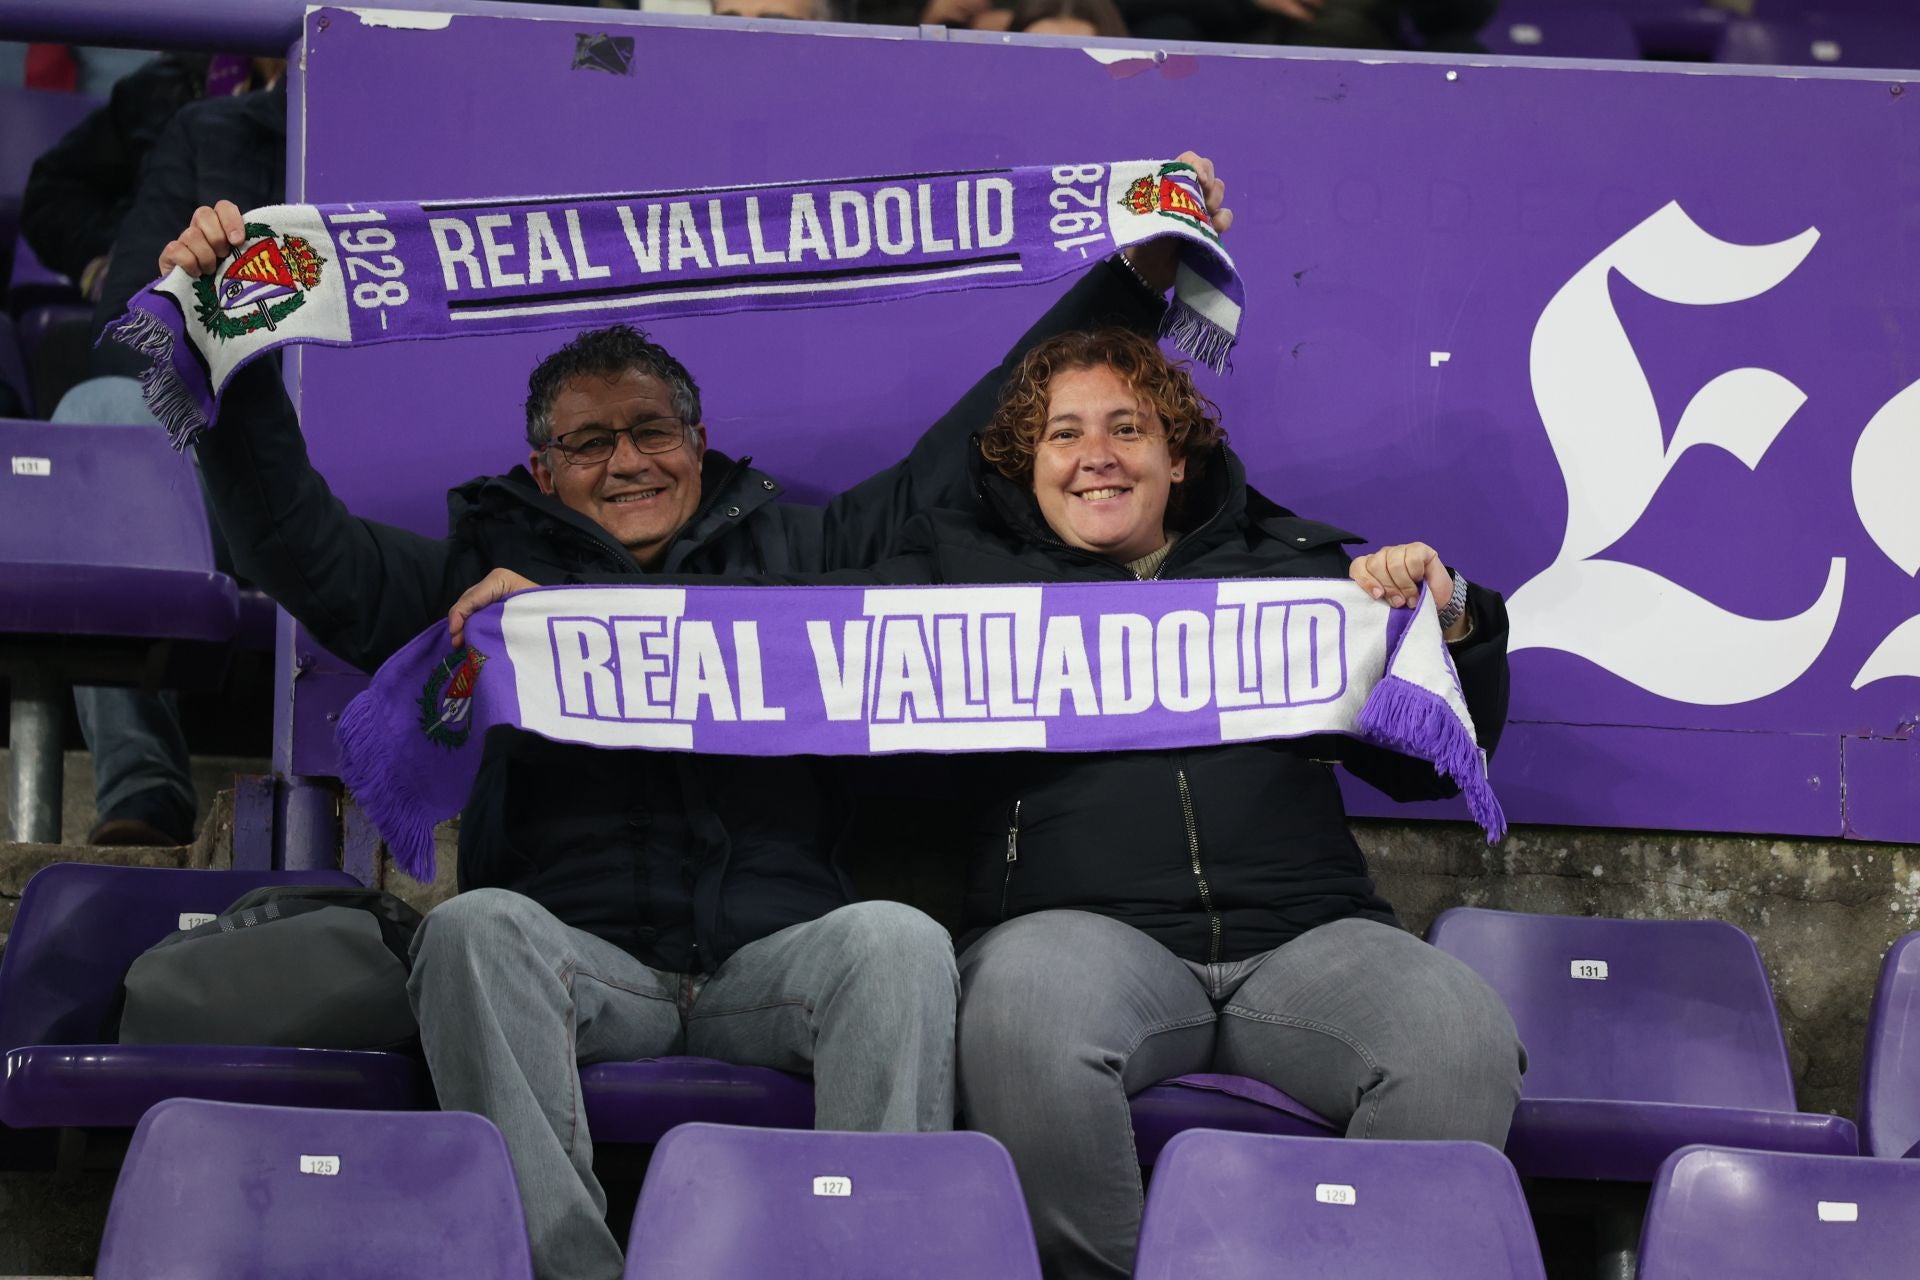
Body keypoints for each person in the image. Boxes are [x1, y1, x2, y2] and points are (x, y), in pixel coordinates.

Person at [157, 159, 1228, 1280]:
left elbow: (953, 470)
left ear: (699, 441)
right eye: (590, 443)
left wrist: (1132, 273)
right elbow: (300, 550)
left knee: (899, 941)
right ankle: (564, 1269)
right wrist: (241, 354)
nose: (629, 460)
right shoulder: (484, 578)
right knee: (471, 932)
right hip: (585, 963)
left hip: (775, 960)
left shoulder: (801, 552)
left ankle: (872, 1260)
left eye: (653, 430)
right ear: (544, 467)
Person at [451, 323, 1521, 1280]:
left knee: (1460, 1032)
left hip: (1309, 934)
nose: (1097, 452)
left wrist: (1456, 616)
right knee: (1019, 1023)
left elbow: (1427, 762)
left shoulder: (1291, 574)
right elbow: (760, 622)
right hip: (1085, 936)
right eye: (1063, 433)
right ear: (1028, 464)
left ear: (1175, 453)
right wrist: (575, 616)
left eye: (1127, 427)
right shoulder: (961, 581)